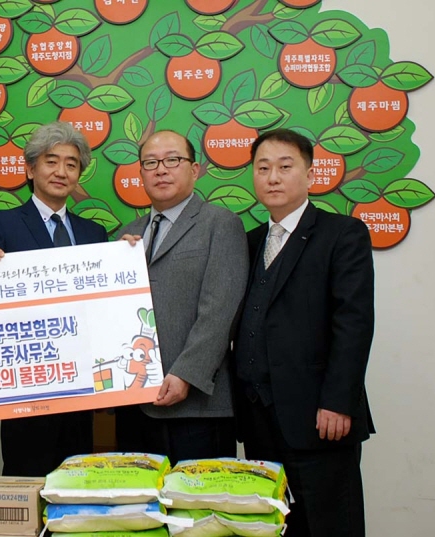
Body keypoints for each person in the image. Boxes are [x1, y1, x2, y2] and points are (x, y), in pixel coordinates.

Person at [234, 128, 374, 537]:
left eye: (285, 166)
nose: (273, 178)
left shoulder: (342, 234)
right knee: (274, 527)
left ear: (310, 175)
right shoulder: (249, 242)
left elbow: (354, 322)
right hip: (258, 419)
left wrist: (338, 402)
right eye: (263, 168)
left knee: (329, 525)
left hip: (319, 418)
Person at [0, 121, 107, 477]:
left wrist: (125, 256)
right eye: (51, 161)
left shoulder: (94, 233)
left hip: (81, 382)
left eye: (71, 164)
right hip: (26, 383)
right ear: (31, 169)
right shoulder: (1, 224)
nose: (61, 172)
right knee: (25, 478)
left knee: (76, 477)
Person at [115, 130, 248, 462]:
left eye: (172, 160)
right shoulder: (126, 235)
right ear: (141, 173)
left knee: (195, 497)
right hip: (134, 404)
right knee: (138, 496)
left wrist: (187, 373)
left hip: (197, 406)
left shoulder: (221, 224)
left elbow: (221, 310)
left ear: (195, 169)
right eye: (151, 163)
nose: (161, 169)